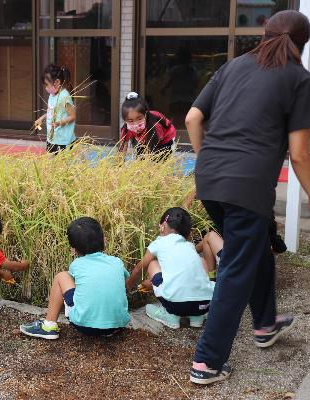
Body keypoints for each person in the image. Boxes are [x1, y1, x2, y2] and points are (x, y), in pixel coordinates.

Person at [185, 10, 310, 385]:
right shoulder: (300, 80)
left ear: (264, 33)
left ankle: (266, 324)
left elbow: (193, 118)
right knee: (236, 270)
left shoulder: (234, 65)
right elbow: (301, 154)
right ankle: (206, 362)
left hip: (209, 180)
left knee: (254, 249)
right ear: (302, 45)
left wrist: (206, 161)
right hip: (248, 186)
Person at [20, 217, 130, 339]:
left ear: (73, 249)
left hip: (84, 326)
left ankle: (49, 325)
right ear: (104, 240)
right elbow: (122, 285)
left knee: (61, 276)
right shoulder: (117, 262)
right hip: (117, 326)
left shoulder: (76, 265)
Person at [126, 208, 215, 329]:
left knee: (152, 263)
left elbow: (138, 269)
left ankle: (170, 315)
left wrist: (126, 288)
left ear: (162, 226)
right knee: (200, 261)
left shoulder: (158, 243)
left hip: (176, 306)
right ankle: (196, 317)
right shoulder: (190, 246)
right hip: (204, 305)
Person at [33, 64, 77, 153]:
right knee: (51, 163)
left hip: (63, 140)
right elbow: (51, 112)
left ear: (57, 82)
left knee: (62, 165)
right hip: (52, 138)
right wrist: (41, 118)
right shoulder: (52, 95)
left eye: (47, 85)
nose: (46, 88)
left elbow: (72, 116)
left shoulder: (64, 96)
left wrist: (60, 123)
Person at [119, 92, 176, 158]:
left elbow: (154, 148)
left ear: (146, 114)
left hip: (164, 139)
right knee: (140, 160)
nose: (136, 124)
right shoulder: (126, 129)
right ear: (125, 120)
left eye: (139, 119)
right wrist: (119, 166)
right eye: (131, 121)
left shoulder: (155, 126)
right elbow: (122, 149)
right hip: (145, 139)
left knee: (161, 159)